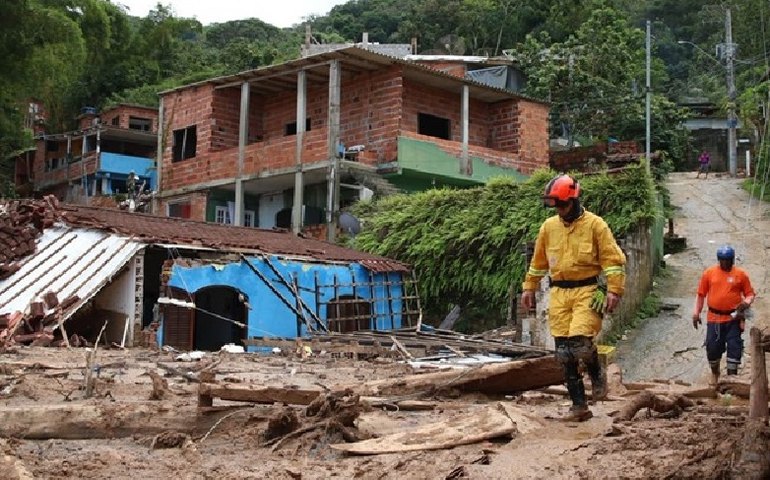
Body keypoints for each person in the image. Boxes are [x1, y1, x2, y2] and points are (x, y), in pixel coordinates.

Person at [521, 174, 626, 422]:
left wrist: (613, 290)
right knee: (564, 353)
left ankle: (596, 372)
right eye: (555, 206)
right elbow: (537, 263)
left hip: (588, 291)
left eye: (562, 204)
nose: (559, 210)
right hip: (559, 293)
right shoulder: (549, 228)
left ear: (575, 200)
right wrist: (529, 287)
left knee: (579, 343)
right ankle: (579, 406)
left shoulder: (596, 225)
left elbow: (613, 262)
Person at [691, 245, 755, 386]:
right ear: (719, 260)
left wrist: (746, 302)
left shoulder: (740, 275)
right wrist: (696, 312)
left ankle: (732, 380)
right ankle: (715, 373)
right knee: (713, 348)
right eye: (722, 260)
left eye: (728, 260)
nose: (725, 263)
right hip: (714, 318)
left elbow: (750, 293)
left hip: (733, 318)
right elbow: (701, 294)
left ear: (732, 260)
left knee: (734, 348)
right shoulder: (709, 273)